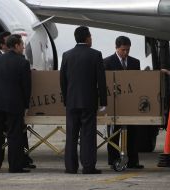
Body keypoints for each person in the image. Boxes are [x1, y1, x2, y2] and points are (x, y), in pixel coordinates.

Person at [0, 31, 36, 170]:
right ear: (16, 45)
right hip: (14, 105)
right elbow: (26, 87)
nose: (23, 48)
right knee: (14, 136)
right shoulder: (23, 62)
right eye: (22, 45)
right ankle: (15, 166)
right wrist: (26, 105)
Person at [60, 26, 107, 174]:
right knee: (88, 135)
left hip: (72, 101)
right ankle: (88, 166)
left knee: (71, 135)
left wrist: (66, 99)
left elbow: (62, 80)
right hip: (88, 101)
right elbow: (101, 80)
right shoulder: (95, 55)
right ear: (87, 38)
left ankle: (70, 167)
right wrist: (103, 102)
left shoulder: (66, 55)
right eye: (90, 36)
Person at [103, 36, 144, 169]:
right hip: (114, 105)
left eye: (128, 50)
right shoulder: (107, 62)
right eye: (123, 50)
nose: (126, 53)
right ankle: (113, 160)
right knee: (114, 134)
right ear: (117, 48)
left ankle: (133, 161)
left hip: (130, 105)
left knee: (133, 133)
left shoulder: (135, 62)